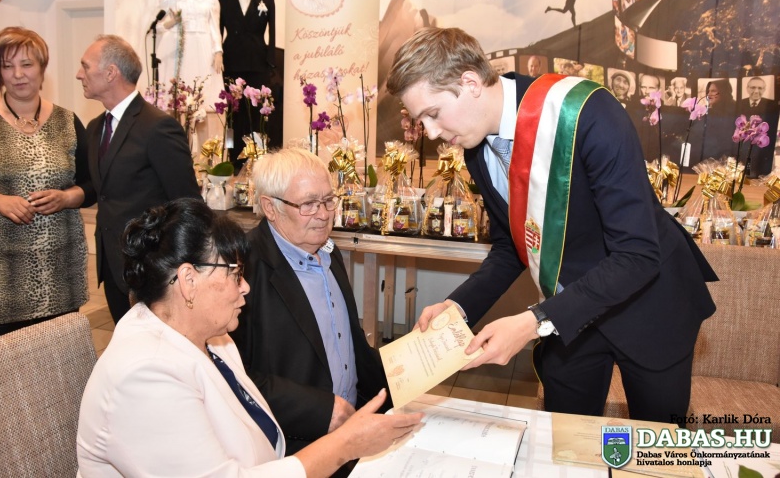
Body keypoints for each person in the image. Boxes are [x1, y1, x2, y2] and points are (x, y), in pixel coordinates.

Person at [386, 27, 717, 425]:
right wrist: (456, 307)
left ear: (469, 83)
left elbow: (637, 255)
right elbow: (510, 247)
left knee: (654, 446)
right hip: (568, 316)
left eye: (433, 114)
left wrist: (534, 321)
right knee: (565, 442)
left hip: (649, 306)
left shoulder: (585, 112)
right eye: (421, 121)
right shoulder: (476, 147)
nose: (432, 133)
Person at [77, 198, 422, 477]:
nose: (245, 287)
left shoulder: (210, 337)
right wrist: (345, 445)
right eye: (235, 273)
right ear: (188, 280)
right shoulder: (144, 376)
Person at [228, 148, 390, 475]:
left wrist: (408, 370)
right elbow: (232, 375)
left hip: (351, 434)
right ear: (270, 207)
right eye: (308, 204)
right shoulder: (243, 269)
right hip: (293, 449)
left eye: (329, 200)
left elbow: (349, 344)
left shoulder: (328, 252)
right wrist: (321, 410)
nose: (324, 214)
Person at [76, 34, 200, 324]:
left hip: (150, 269)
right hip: (112, 266)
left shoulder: (157, 127)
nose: (79, 74)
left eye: (86, 66)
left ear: (110, 73)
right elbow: (102, 190)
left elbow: (188, 204)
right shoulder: (95, 127)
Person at [0, 27, 90, 342]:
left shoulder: (68, 121)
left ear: (42, 68)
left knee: (58, 359)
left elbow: (92, 184)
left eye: (27, 64)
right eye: (8, 66)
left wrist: (67, 198)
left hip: (59, 272)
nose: (18, 74)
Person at [218, 0, 278, 158]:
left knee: (259, 110)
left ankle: (259, 155)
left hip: (258, 62)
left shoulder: (267, 0)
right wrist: (218, 55)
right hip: (231, 61)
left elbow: (272, 32)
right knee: (232, 112)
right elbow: (218, 31)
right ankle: (231, 154)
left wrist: (271, 61)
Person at [156, 0, 224, 106]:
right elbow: (157, 27)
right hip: (178, 46)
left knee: (202, 84)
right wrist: (172, 22)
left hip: (202, 45)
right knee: (178, 89)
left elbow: (215, 28)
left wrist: (218, 51)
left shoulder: (209, 0)